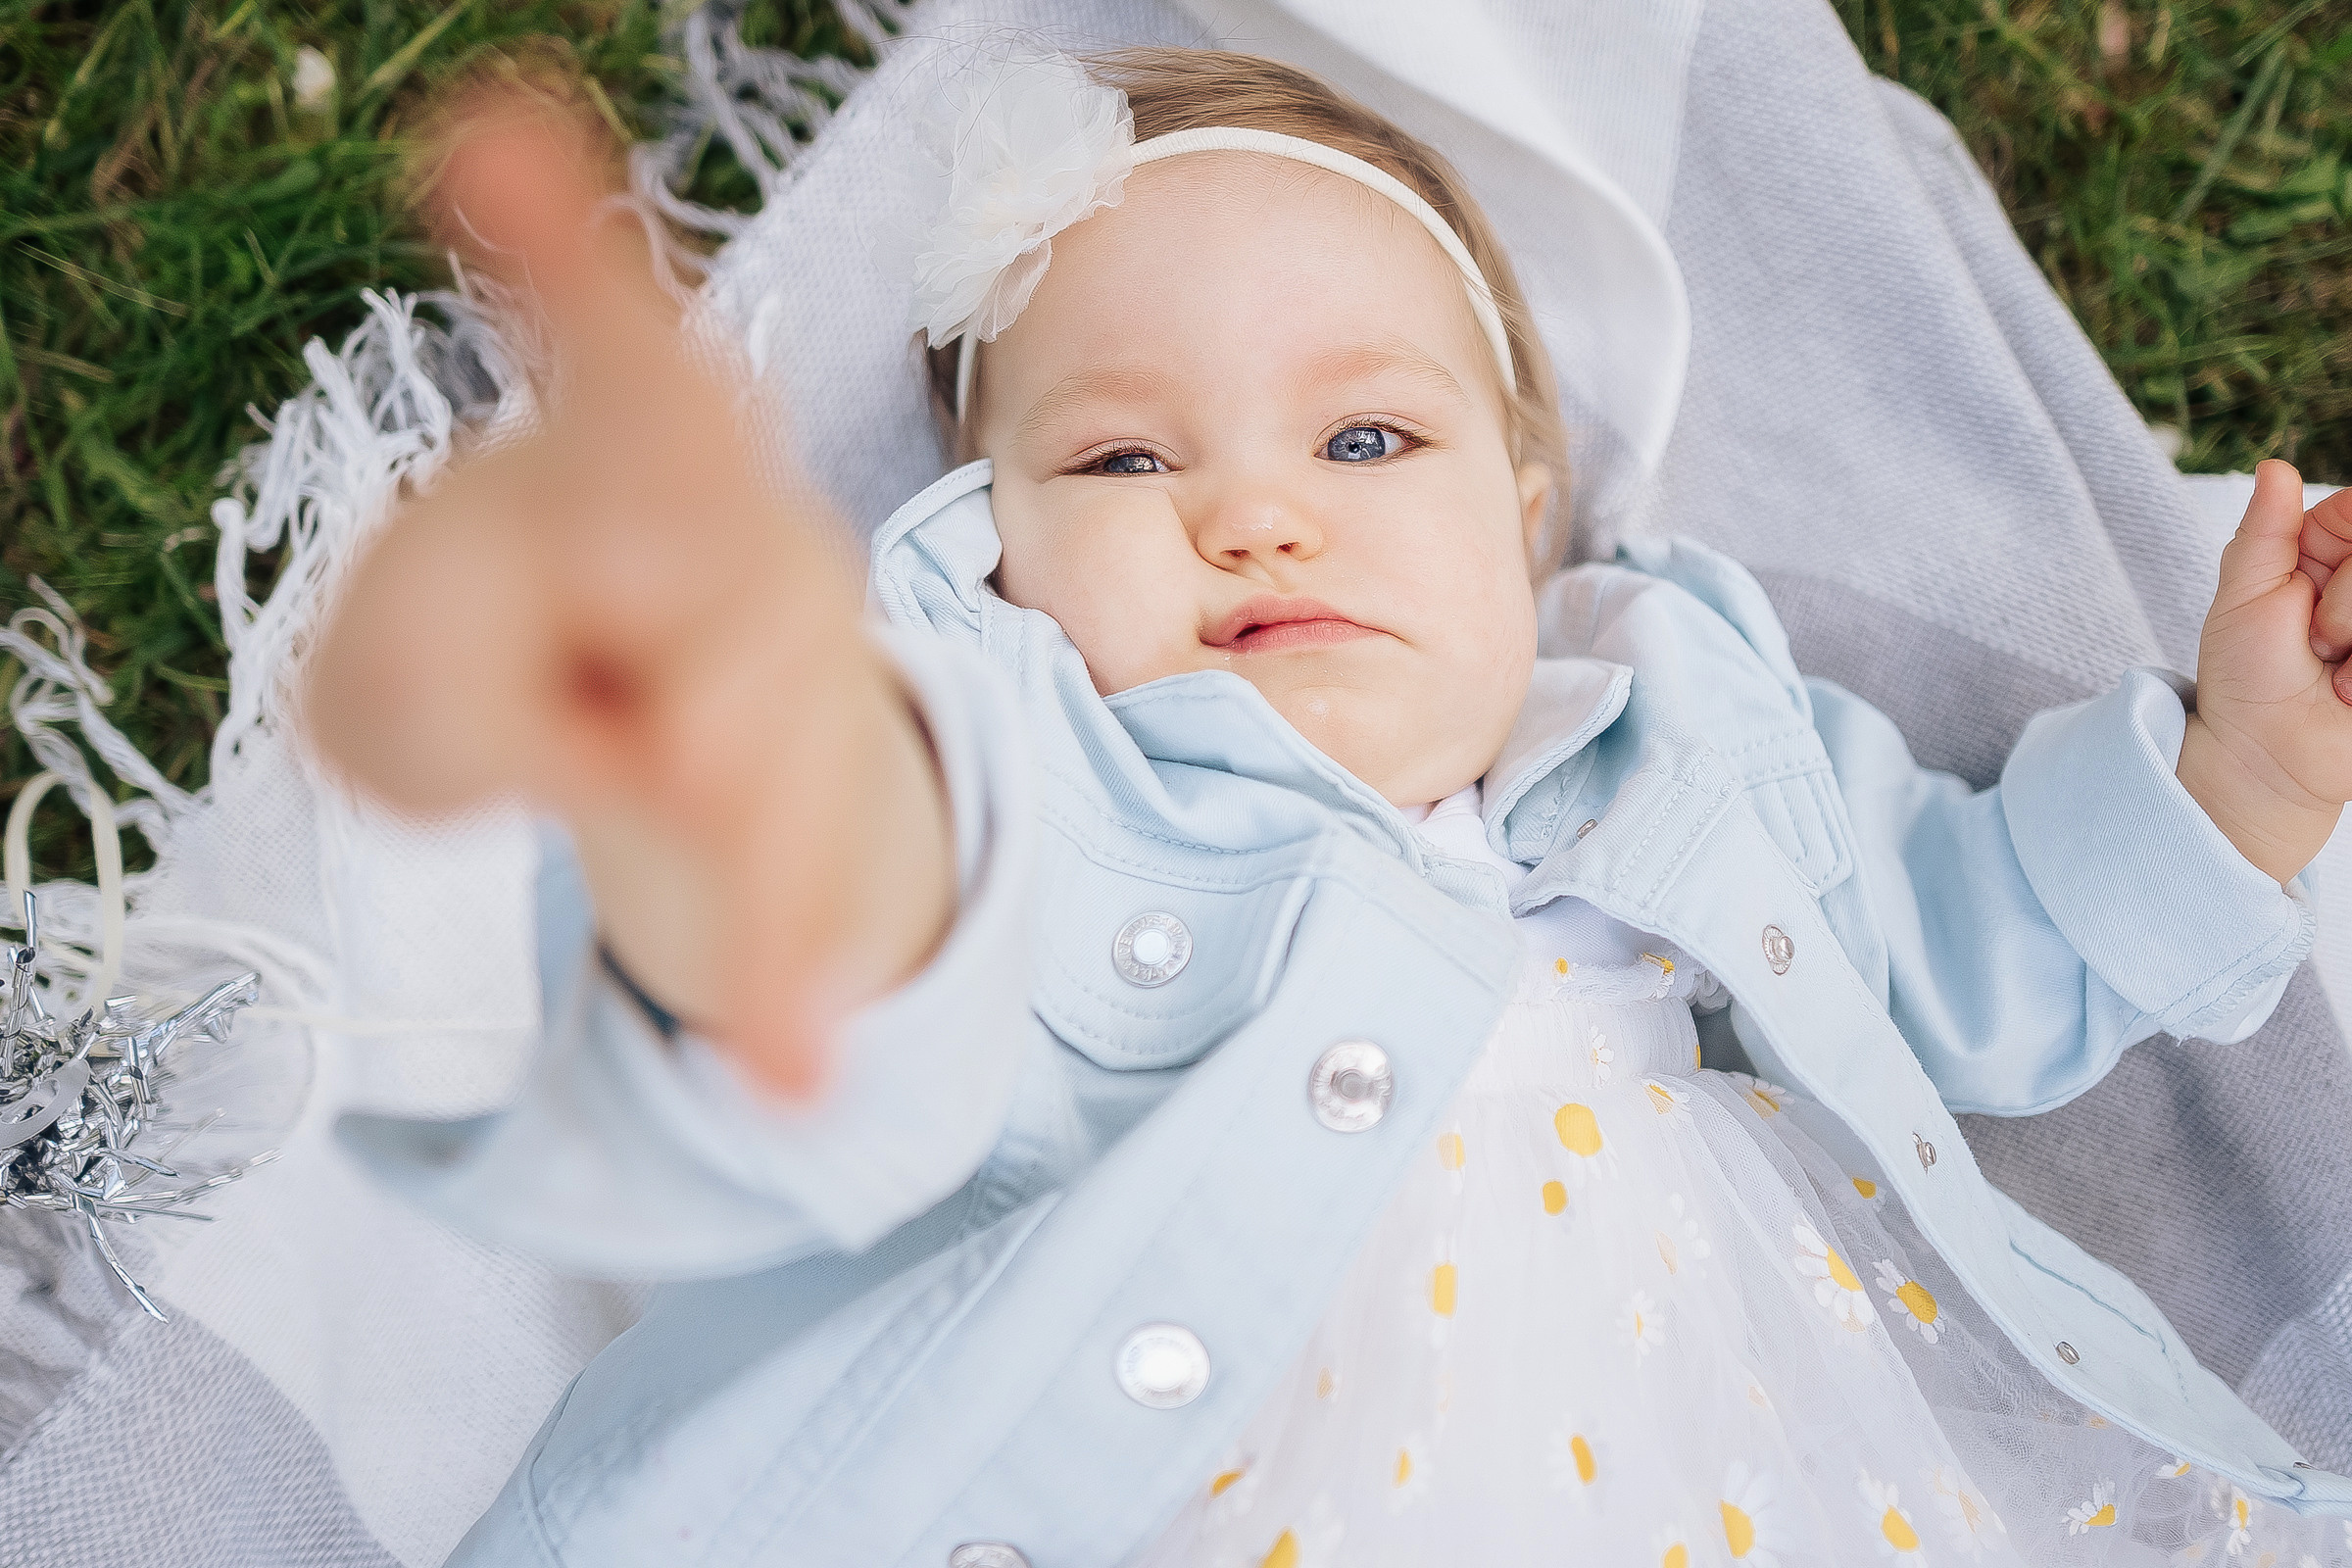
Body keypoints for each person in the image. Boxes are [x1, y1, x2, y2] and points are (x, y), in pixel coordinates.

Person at [315, 46, 2352, 1567]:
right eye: (1122, 461)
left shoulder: (1679, 724)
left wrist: (2238, 777)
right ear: (989, 554)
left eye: (1368, 432)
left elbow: (1977, 946)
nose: (1255, 508)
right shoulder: (1043, 774)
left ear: (1524, 501)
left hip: (1744, 1446)